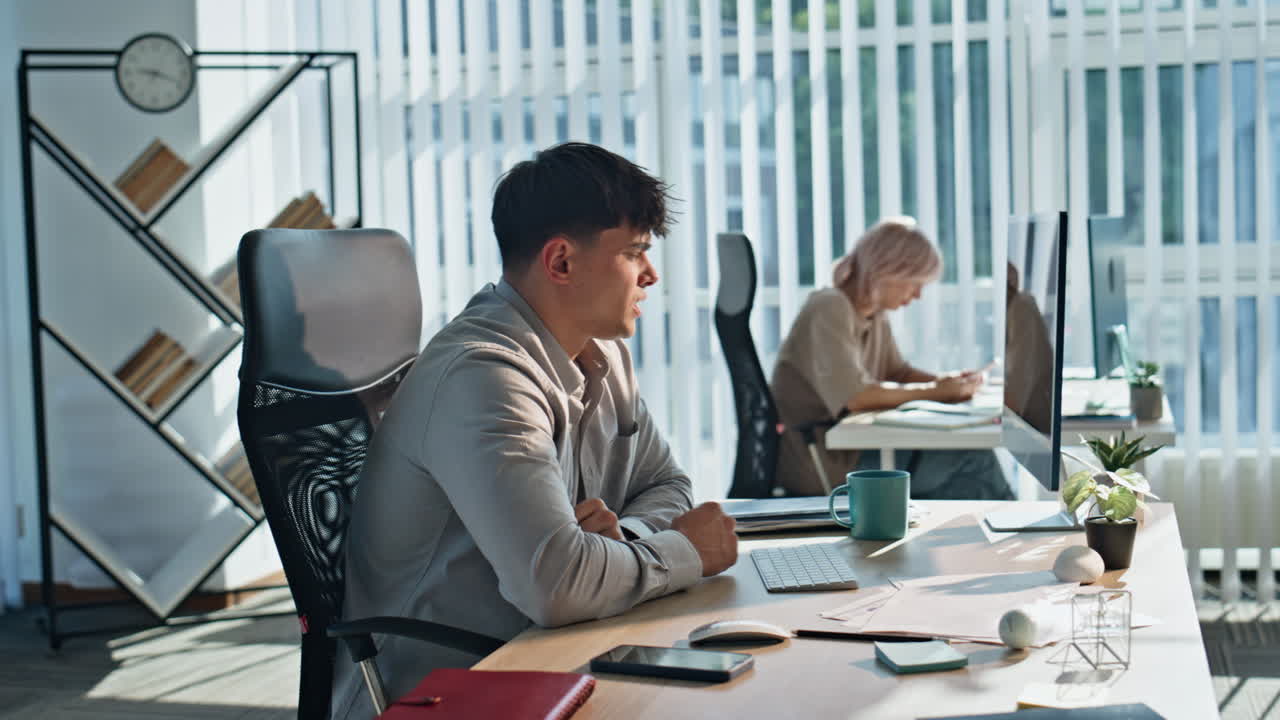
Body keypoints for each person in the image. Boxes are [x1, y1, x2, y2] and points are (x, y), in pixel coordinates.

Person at [330, 142, 738, 720]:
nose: (651, 274)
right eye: (635, 253)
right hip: (453, 689)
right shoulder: (481, 376)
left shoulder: (602, 356)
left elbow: (667, 483)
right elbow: (557, 587)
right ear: (562, 262)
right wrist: (686, 551)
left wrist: (621, 540)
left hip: (558, 658)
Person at [770, 216, 1014, 499]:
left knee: (963, 482)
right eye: (915, 283)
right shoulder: (829, 307)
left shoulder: (873, 314)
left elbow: (898, 373)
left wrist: (947, 383)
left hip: (850, 451)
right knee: (973, 458)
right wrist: (937, 392)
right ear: (886, 272)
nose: (919, 295)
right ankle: (1023, 538)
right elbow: (856, 396)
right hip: (823, 464)